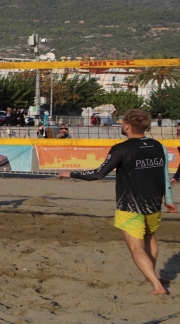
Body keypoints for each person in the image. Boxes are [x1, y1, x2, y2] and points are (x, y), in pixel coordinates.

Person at [59, 109, 176, 295]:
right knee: (150, 238)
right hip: (154, 204)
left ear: (127, 126)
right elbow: (165, 175)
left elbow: (98, 174)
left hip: (130, 206)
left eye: (122, 123)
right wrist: (169, 200)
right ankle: (150, 274)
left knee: (136, 247)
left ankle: (157, 285)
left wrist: (70, 173)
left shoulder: (121, 149)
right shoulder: (158, 146)